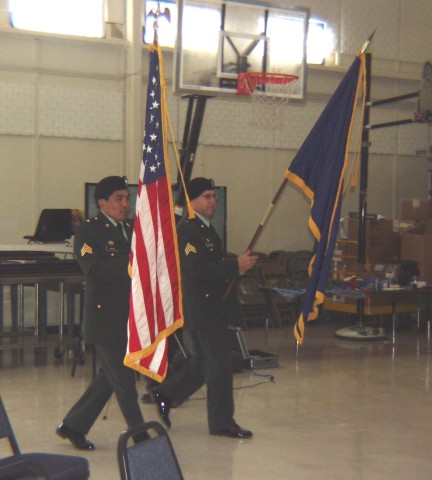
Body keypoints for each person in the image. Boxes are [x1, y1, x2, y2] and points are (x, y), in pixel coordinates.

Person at [152, 177, 258, 439]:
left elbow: (214, 265)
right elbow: (197, 270)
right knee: (220, 364)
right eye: (207, 196)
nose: (213, 201)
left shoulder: (208, 230)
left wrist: (236, 265)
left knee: (204, 363)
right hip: (200, 307)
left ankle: (166, 393)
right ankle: (222, 422)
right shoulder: (187, 230)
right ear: (191, 201)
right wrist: (235, 266)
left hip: (214, 305)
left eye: (214, 196)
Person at [56, 176, 146, 450]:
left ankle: (72, 425)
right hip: (105, 317)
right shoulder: (88, 232)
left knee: (112, 376)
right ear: (102, 202)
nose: (125, 204)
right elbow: (94, 270)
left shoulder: (131, 229)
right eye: (118, 198)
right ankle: (141, 436)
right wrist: (131, 262)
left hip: (129, 315)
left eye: (127, 198)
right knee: (124, 379)